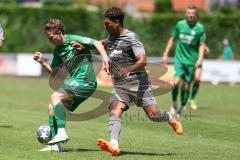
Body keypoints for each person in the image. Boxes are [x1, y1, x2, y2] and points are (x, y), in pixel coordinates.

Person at [96, 7, 183, 156]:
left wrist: (129, 69)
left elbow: (142, 60)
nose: (105, 26)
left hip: (138, 84)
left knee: (154, 116)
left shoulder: (132, 38)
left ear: (117, 22)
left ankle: (170, 117)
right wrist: (82, 46)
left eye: (107, 23)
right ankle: (114, 145)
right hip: (120, 86)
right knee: (114, 111)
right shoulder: (111, 36)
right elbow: (101, 43)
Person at [33, 19, 109, 152]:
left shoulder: (73, 39)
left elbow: (97, 43)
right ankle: (55, 145)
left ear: (59, 32)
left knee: (55, 96)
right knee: (52, 107)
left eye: (51, 37)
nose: (49, 40)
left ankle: (61, 133)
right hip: (77, 81)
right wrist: (42, 62)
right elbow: (54, 72)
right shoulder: (58, 50)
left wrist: (106, 61)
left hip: (85, 80)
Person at [162, 6, 206, 115]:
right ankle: (174, 104)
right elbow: (172, 39)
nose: (190, 15)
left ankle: (182, 106)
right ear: (186, 14)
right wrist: (165, 53)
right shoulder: (179, 25)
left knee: (186, 85)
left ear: (196, 15)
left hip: (191, 61)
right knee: (176, 83)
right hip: (179, 59)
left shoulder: (200, 28)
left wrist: (200, 59)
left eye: (192, 13)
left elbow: (201, 45)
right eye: (188, 13)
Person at [188, 44, 210, 110]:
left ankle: (192, 99)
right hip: (188, 61)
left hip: (198, 62)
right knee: (187, 81)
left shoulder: (201, 35)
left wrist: (205, 48)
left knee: (197, 79)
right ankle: (184, 100)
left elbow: (205, 48)